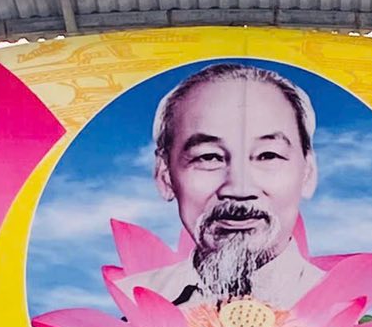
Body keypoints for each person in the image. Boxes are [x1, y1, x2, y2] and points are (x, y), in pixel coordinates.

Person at [121, 62, 324, 309]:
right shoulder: (128, 304)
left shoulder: (345, 306)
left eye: (268, 155)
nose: (239, 189)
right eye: (208, 157)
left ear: (308, 173)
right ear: (164, 175)